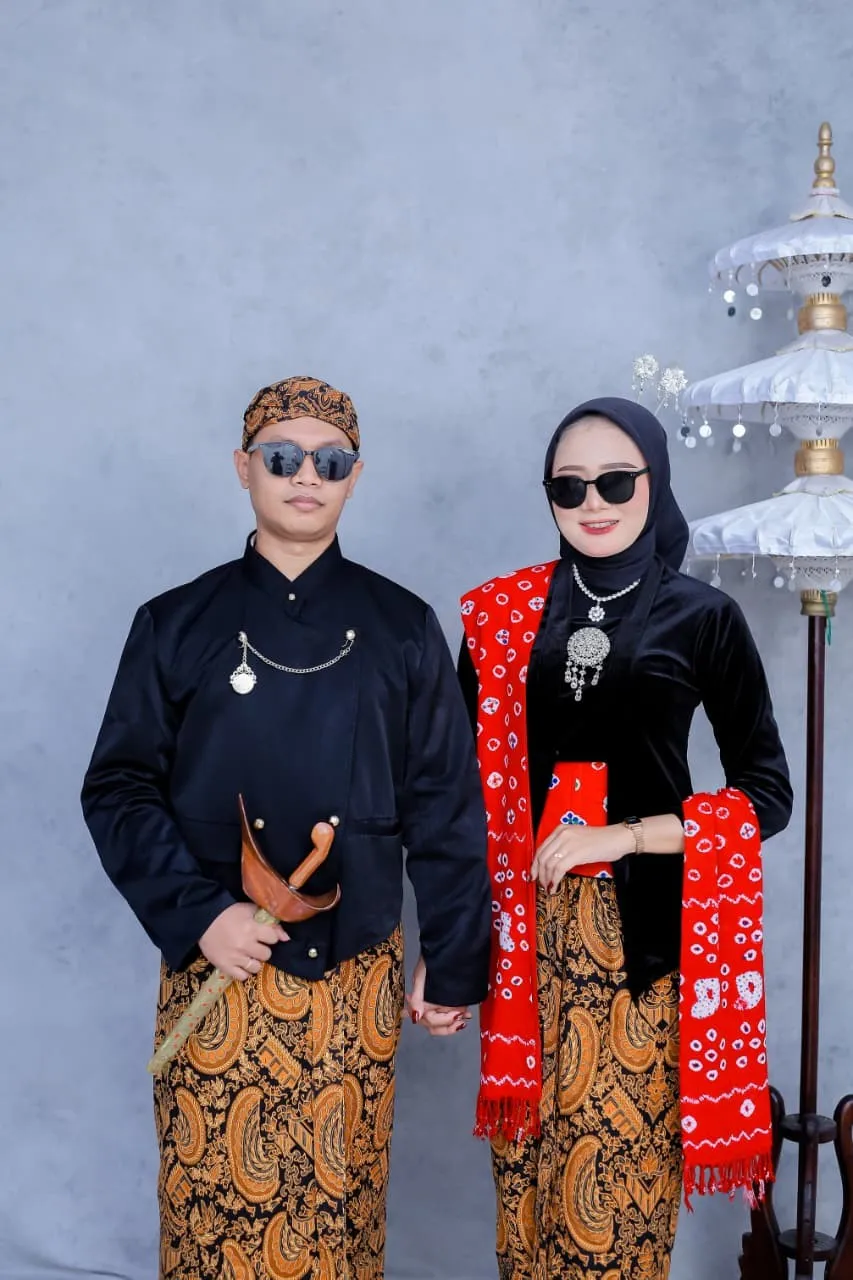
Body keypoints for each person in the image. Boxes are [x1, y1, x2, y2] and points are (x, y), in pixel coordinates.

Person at [81, 375, 491, 1280]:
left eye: (330, 461)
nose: (306, 476)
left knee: (339, 1218)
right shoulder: (175, 623)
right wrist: (201, 914)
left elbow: (446, 806)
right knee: (213, 1220)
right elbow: (116, 788)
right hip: (221, 966)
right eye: (282, 457)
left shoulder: (403, 626)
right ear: (243, 468)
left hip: (355, 974)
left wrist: (455, 957)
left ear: (355, 477)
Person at [456, 397, 793, 1280]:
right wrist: (448, 951)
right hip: (522, 948)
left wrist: (624, 837)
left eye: (614, 480)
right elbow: (458, 799)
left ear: (654, 478)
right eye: (568, 487)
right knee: (527, 1206)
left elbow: (766, 793)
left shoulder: (700, 616)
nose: (592, 503)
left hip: (639, 955)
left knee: (611, 1206)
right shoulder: (502, 616)